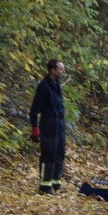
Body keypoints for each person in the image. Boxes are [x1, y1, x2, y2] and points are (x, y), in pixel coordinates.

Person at [29, 59, 67, 195]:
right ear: (53, 70)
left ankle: (56, 183)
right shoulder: (44, 87)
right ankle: (45, 186)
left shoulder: (56, 85)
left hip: (59, 124)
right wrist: (35, 128)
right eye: (61, 69)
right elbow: (34, 110)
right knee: (49, 153)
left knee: (59, 152)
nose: (63, 71)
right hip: (49, 124)